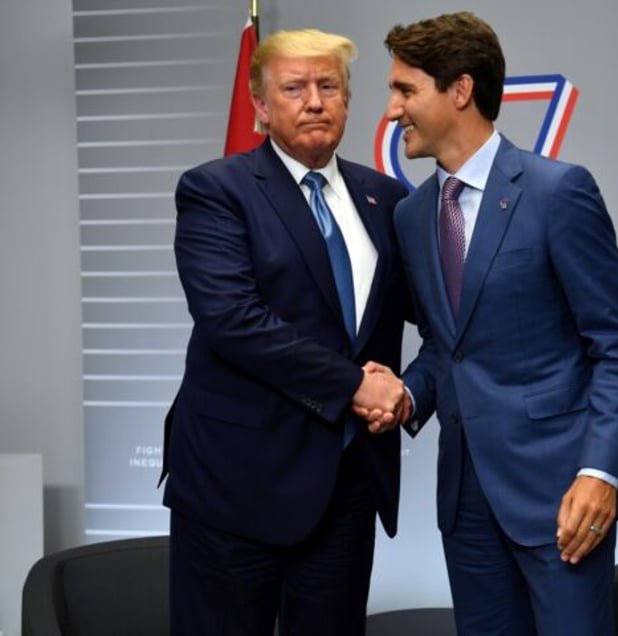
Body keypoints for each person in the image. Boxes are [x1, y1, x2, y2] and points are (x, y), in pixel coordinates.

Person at [378, 11, 618, 635]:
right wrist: (407, 395)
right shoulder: (413, 215)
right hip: (466, 506)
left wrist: (599, 473)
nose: (393, 111)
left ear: (461, 90)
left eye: (405, 90)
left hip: (563, 501)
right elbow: (450, 350)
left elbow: (616, 350)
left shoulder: (558, 192)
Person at [159, 28, 410, 635]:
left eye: (329, 86)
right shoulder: (216, 189)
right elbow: (232, 320)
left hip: (346, 488)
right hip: (233, 484)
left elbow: (429, 317)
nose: (315, 101)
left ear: (349, 100)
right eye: (294, 88)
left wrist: (408, 391)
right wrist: (355, 385)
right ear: (262, 107)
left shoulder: (388, 197)